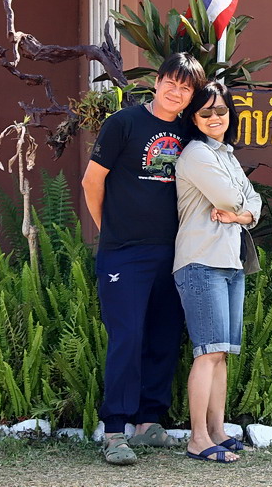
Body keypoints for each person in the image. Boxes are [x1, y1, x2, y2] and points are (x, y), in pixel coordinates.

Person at [81, 52, 206, 465]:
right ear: (157, 81)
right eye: (171, 82)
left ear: (191, 95)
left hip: (176, 251)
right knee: (128, 337)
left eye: (185, 87)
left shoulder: (189, 132)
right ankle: (115, 430)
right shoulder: (124, 123)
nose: (176, 91)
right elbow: (92, 180)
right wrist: (108, 229)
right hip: (124, 253)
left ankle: (149, 422)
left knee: (164, 335)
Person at [173, 81, 262, 464]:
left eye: (221, 110)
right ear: (194, 118)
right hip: (201, 261)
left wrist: (240, 215)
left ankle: (218, 431)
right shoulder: (196, 154)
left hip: (230, 261)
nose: (214, 117)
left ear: (230, 114)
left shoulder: (227, 155)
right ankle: (198, 439)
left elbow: (253, 201)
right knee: (208, 352)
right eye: (206, 112)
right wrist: (241, 206)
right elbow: (230, 196)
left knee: (222, 353)